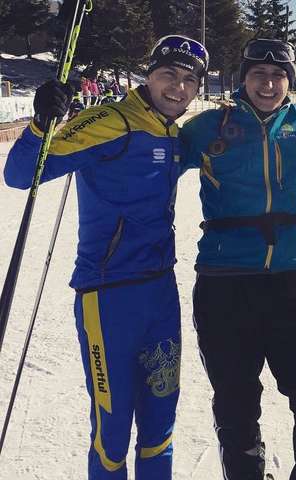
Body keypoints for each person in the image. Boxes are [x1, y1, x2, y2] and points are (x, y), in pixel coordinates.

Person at [3, 34, 208, 480]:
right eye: (168, 74)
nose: (178, 87)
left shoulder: (174, 133)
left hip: (161, 293)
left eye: (189, 80)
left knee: (160, 427)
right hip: (109, 295)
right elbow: (19, 175)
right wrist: (41, 122)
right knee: (112, 433)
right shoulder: (110, 121)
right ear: (148, 76)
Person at [179, 38, 296, 480]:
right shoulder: (209, 126)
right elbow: (150, 145)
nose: (268, 84)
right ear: (243, 78)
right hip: (223, 283)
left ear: (290, 81)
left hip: (286, 282)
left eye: (278, 76)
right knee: (236, 403)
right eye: (258, 75)